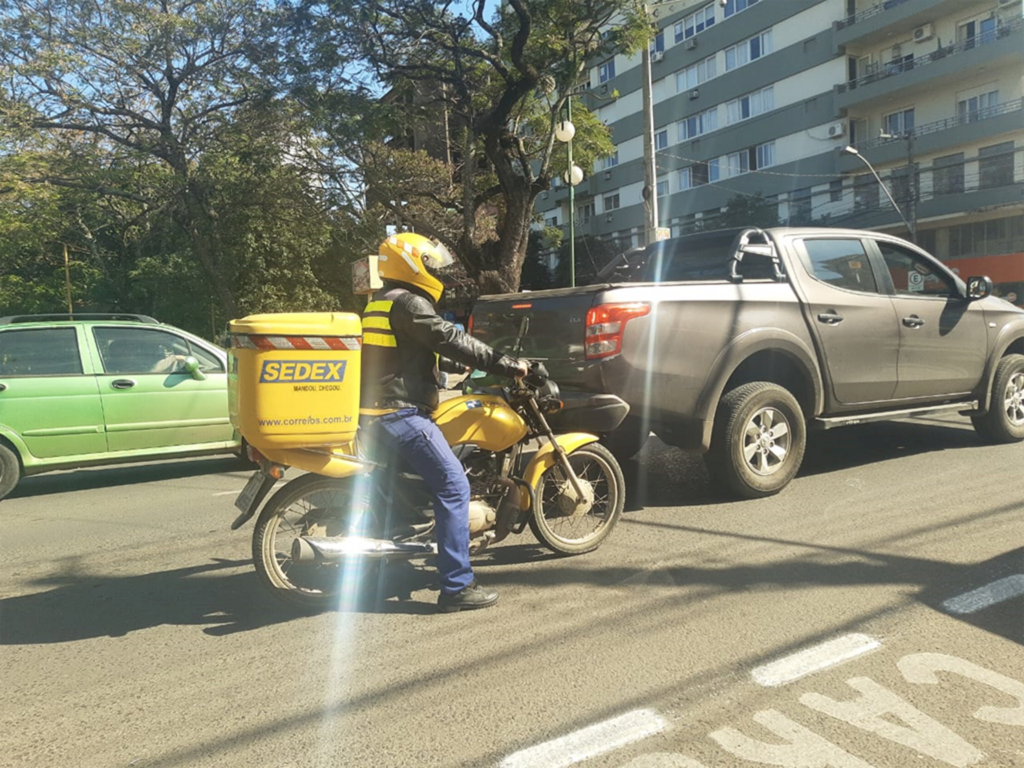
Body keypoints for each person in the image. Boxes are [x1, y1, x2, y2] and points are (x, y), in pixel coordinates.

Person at [360, 233, 528, 613]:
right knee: (453, 485)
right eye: (432, 264)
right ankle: (456, 586)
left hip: (373, 412)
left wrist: (452, 364)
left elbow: (406, 352)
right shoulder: (410, 303)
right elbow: (448, 336)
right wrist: (506, 363)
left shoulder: (379, 303)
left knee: (420, 483)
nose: (439, 273)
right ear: (411, 264)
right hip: (399, 413)